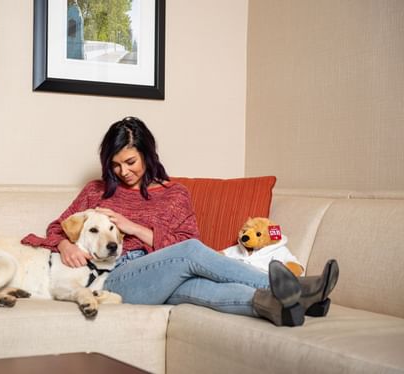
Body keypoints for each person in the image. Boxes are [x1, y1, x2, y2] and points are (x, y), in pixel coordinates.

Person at [21, 116, 339, 326]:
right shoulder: (96, 191)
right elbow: (55, 228)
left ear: (147, 154)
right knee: (189, 253)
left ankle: (279, 307)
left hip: (161, 279)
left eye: (130, 162)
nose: (123, 172)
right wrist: (64, 245)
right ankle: (301, 288)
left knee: (196, 287)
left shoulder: (175, 195)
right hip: (111, 279)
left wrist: (132, 228)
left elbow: (187, 242)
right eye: (115, 165)